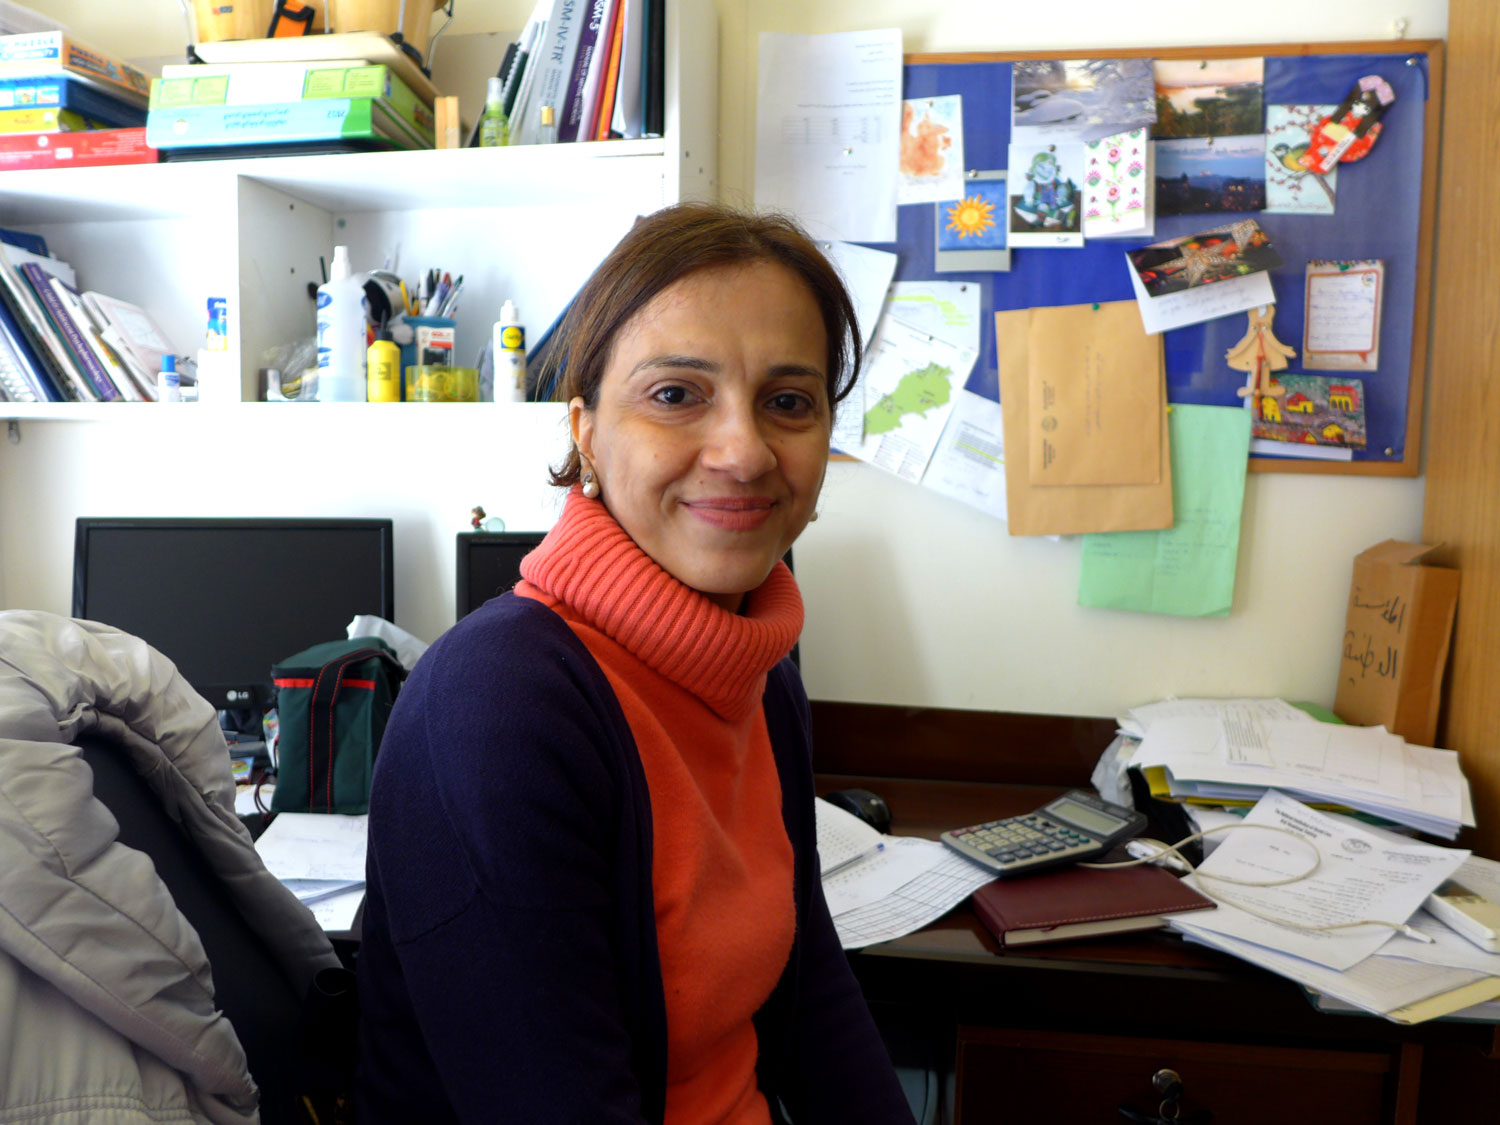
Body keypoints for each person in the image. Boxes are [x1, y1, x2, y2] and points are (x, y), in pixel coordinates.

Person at [357, 202, 916, 1124]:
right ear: (584, 430)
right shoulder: (501, 706)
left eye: (788, 401)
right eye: (674, 394)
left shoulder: (763, 675)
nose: (742, 451)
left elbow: (812, 990)